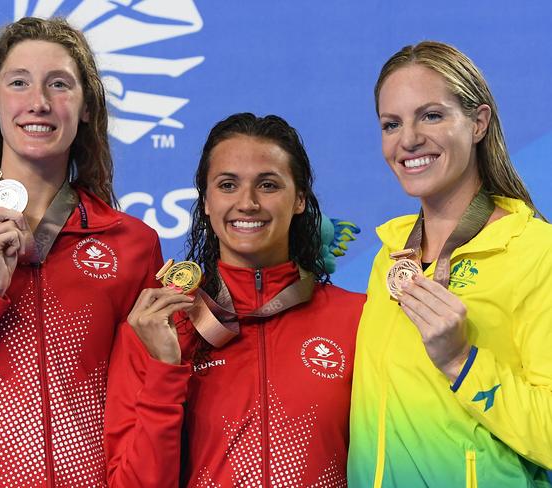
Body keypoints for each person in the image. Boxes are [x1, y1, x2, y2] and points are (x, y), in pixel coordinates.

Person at [0, 17, 162, 486]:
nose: (39, 103)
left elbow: (145, 410)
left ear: (86, 109)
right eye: (19, 82)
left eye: (59, 84)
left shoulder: (133, 245)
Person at [104, 113, 365, 487]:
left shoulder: (357, 319)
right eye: (227, 185)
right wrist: (165, 369)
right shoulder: (156, 330)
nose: (248, 203)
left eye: (269, 185)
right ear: (206, 202)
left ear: (299, 200)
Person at [348, 41, 552, 488]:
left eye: (431, 115)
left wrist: (461, 360)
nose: (408, 139)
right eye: (391, 123)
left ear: (478, 123)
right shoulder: (389, 254)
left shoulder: (537, 252)